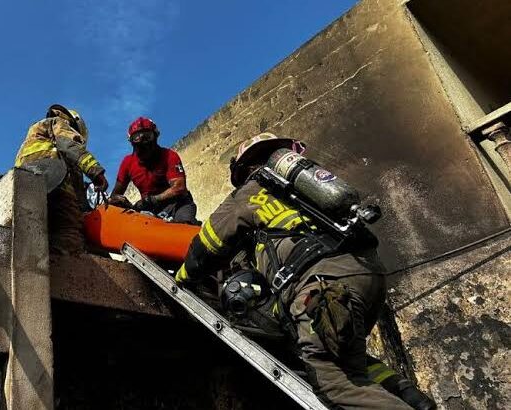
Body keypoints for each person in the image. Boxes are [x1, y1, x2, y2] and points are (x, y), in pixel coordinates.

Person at [174, 133, 436, 409]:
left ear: (245, 169)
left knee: (337, 385)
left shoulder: (252, 191)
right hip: (367, 273)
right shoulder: (307, 193)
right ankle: (405, 392)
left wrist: (181, 279)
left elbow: (209, 242)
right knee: (341, 357)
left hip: (321, 283)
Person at [15, 104, 108, 255]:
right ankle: (63, 266)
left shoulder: (33, 135)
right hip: (57, 186)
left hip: (27, 186)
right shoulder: (59, 124)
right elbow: (69, 146)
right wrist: (95, 171)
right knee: (69, 233)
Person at [109, 117, 198, 225]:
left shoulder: (169, 156)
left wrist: (151, 200)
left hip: (178, 204)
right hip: (150, 210)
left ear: (155, 137)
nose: (143, 142)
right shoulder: (127, 163)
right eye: (137, 138)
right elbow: (115, 195)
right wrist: (121, 202)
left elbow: (179, 187)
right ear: (131, 142)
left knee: (185, 226)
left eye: (147, 136)